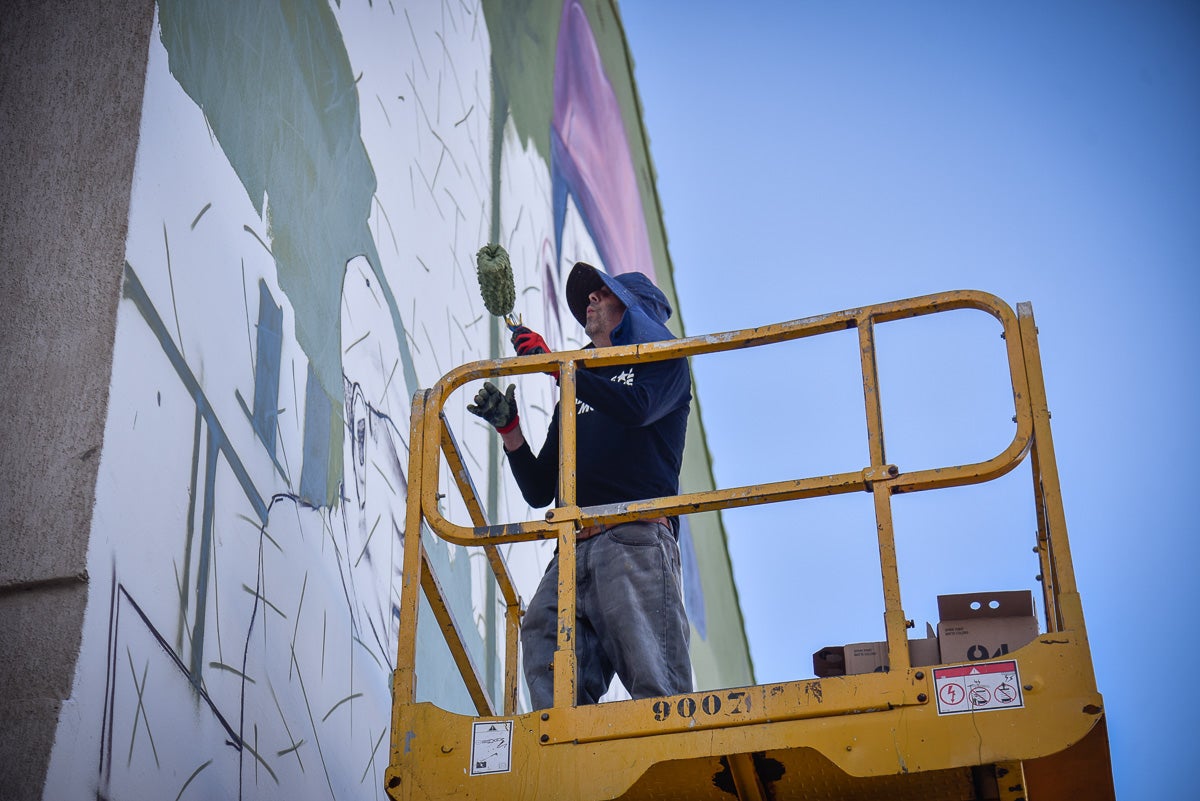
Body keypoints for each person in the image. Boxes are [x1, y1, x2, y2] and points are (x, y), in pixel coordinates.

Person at [467, 261, 693, 709]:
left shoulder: (664, 366)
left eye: (604, 294)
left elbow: (637, 409)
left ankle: (674, 756)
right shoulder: (576, 389)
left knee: (656, 686)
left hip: (636, 539)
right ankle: (565, 760)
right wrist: (510, 430)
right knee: (540, 631)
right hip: (573, 548)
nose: (591, 298)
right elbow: (539, 490)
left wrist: (560, 371)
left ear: (635, 315)